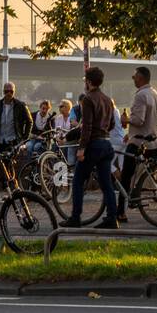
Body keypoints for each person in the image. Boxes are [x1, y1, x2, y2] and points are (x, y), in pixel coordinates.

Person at [61, 66, 120, 230]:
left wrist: (81, 148)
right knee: (106, 183)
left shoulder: (88, 99)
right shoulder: (108, 100)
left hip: (93, 145)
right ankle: (112, 218)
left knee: (78, 181)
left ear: (88, 82)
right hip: (106, 144)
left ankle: (75, 217)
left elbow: (86, 126)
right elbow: (113, 124)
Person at [115, 67, 157, 222]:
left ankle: (120, 212)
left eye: (134, 76)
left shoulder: (141, 95)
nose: (133, 78)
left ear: (140, 78)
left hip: (139, 143)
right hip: (154, 141)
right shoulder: (155, 93)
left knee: (126, 176)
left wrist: (126, 120)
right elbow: (150, 120)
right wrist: (131, 132)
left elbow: (139, 120)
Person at [0, 82, 31, 153]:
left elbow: (29, 121)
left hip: (14, 141)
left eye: (11, 91)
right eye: (6, 91)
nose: (9, 93)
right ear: (3, 92)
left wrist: (24, 138)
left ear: (14, 92)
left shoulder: (20, 105)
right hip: (0, 140)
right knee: (0, 163)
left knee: (12, 163)